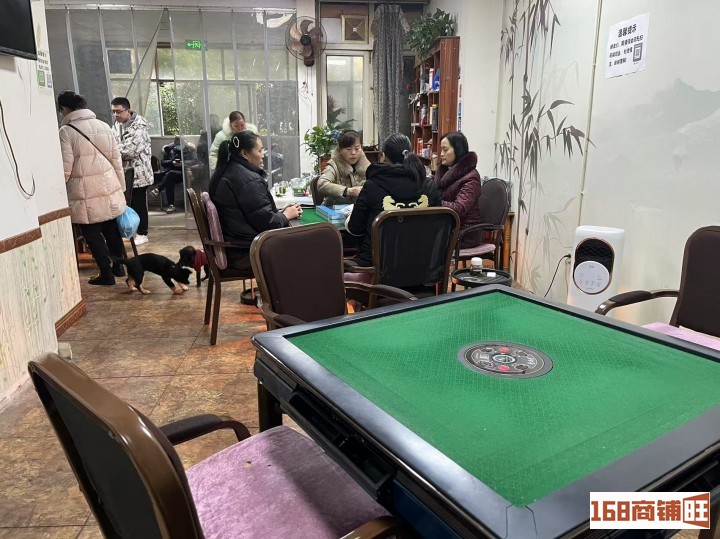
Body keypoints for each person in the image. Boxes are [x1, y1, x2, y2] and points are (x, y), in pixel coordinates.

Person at [58, 91, 126, 286]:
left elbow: (66, 167)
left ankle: (106, 273)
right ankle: (119, 266)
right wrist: (121, 187)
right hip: (109, 186)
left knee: (91, 232)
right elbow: (116, 160)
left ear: (64, 109)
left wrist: (58, 189)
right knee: (110, 228)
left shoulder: (66, 131)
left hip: (84, 191)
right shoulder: (103, 126)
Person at [209, 131, 301, 271]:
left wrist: (282, 213)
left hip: (237, 246)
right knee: (304, 248)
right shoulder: (248, 180)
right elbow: (267, 223)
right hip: (246, 252)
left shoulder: (230, 170)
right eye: (259, 150)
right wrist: (286, 215)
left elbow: (257, 214)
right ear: (245, 154)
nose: (263, 154)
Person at [347, 133, 441, 267]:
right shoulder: (429, 185)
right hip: (424, 264)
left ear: (384, 156)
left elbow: (355, 228)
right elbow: (438, 225)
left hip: (377, 265)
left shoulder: (372, 185)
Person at [111, 97, 153, 245]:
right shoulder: (116, 125)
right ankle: (132, 231)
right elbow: (112, 143)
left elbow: (131, 150)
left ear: (127, 110)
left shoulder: (139, 127)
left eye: (118, 112)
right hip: (125, 172)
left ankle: (142, 232)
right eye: (113, 112)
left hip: (139, 173)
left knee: (138, 203)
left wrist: (115, 149)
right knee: (128, 203)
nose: (116, 115)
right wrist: (116, 148)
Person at [434, 131, 483, 247]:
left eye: (445, 150)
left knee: (420, 238)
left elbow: (459, 208)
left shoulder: (472, 177)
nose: (441, 154)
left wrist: (434, 202)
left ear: (458, 150)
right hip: (447, 227)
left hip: (464, 233)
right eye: (441, 150)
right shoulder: (445, 172)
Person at [317, 130, 370, 207]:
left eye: (357, 148)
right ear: (340, 150)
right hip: (333, 211)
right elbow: (322, 184)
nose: (353, 153)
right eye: (349, 149)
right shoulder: (334, 165)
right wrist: (348, 191)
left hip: (358, 211)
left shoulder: (368, 167)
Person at [150, 136, 198, 213]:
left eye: (179, 144)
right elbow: (163, 162)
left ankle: (158, 189)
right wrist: (172, 162)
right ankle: (171, 205)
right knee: (169, 179)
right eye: (176, 144)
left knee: (169, 174)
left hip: (184, 173)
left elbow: (195, 161)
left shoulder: (189, 150)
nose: (178, 146)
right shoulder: (171, 150)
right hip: (172, 173)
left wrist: (183, 163)